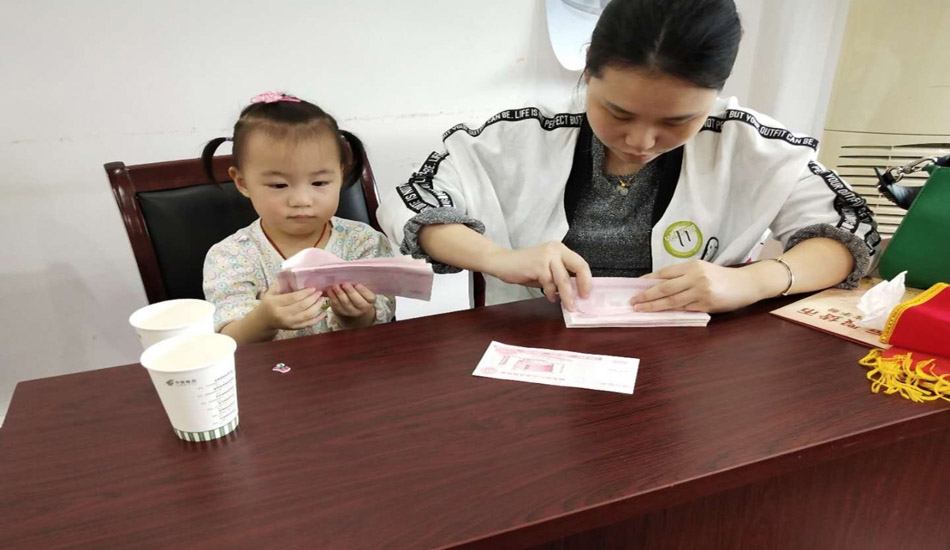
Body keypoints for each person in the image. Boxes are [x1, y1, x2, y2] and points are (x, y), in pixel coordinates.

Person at [377, 0, 880, 313]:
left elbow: (848, 232)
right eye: (618, 112)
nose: (640, 141)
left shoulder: (751, 145)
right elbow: (414, 202)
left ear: (716, 94)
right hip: (533, 352)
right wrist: (500, 259)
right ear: (587, 70)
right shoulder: (517, 136)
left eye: (677, 121)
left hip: (690, 363)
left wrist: (752, 280)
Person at [202, 92, 395, 344]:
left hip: (352, 362)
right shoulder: (231, 256)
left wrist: (357, 315)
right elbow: (227, 339)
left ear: (340, 174)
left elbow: (383, 323)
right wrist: (263, 320)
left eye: (319, 182)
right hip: (273, 368)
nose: (302, 200)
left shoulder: (364, 242)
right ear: (242, 182)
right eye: (279, 185)